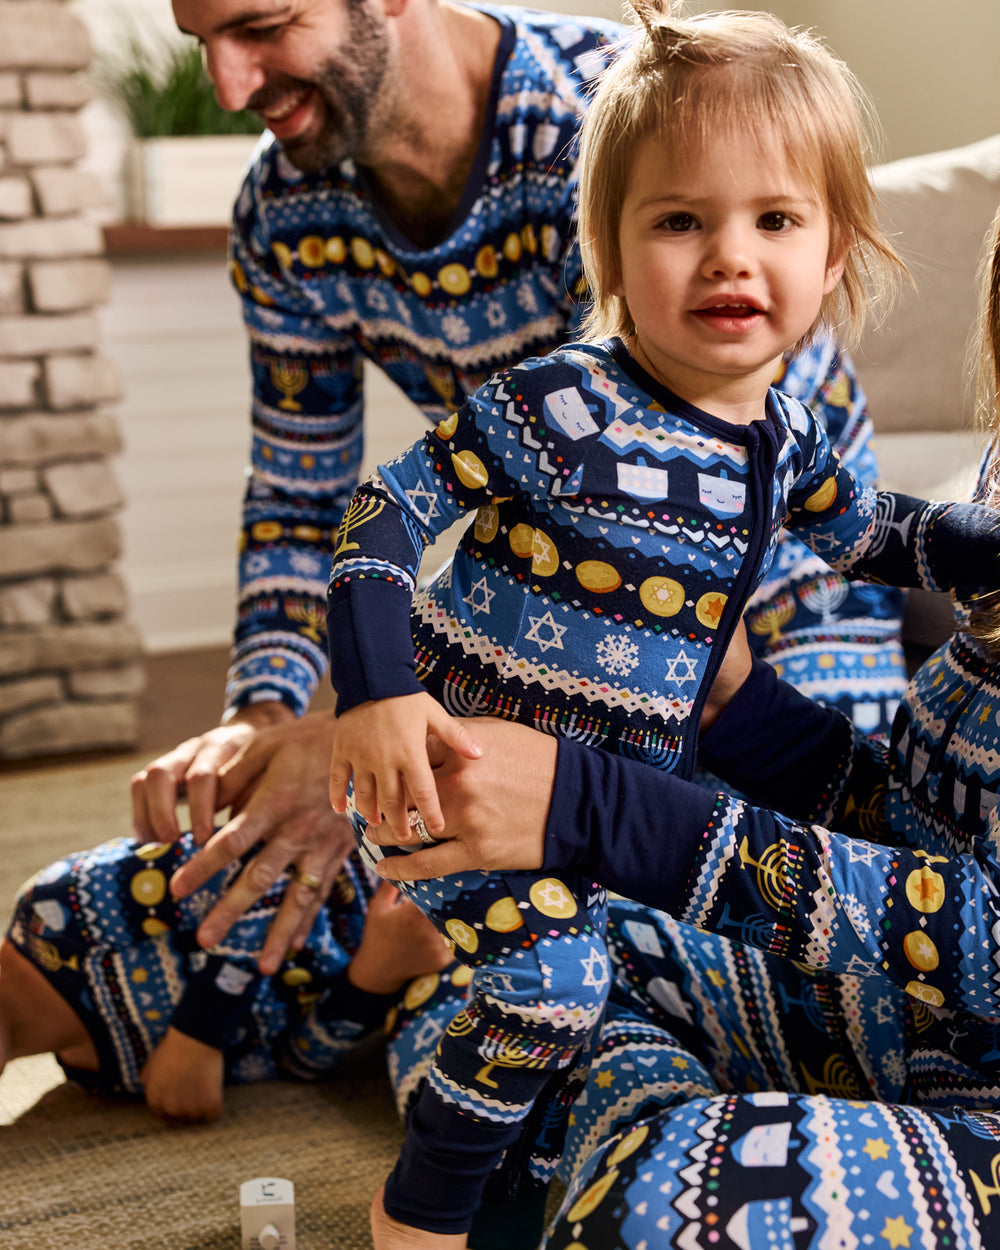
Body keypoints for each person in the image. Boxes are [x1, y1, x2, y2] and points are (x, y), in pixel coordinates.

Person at [323, 6, 1000, 1244]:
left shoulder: (786, 433)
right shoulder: (561, 403)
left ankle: (403, 1074)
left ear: (839, 252)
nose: (727, 258)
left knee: (585, 993)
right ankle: (412, 1184)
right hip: (462, 771)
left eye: (775, 221)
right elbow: (379, 510)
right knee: (557, 982)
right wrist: (375, 692)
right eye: (679, 220)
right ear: (610, 250)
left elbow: (875, 535)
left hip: (644, 795)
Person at [135, 0, 905, 981]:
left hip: (776, 620)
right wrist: (270, 714)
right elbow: (301, 488)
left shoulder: (628, 112)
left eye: (264, 27)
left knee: (813, 921)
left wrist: (405, 735)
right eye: (202, 43)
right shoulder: (283, 215)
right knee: (268, 841)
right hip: (551, 623)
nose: (231, 88)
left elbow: (694, 475)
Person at [0, 837, 453, 1122]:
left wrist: (199, 1031)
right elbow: (294, 1061)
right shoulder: (103, 1078)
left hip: (405, 850)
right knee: (447, 1113)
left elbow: (265, 859)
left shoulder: (53, 912)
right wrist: (372, 978)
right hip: (418, 973)